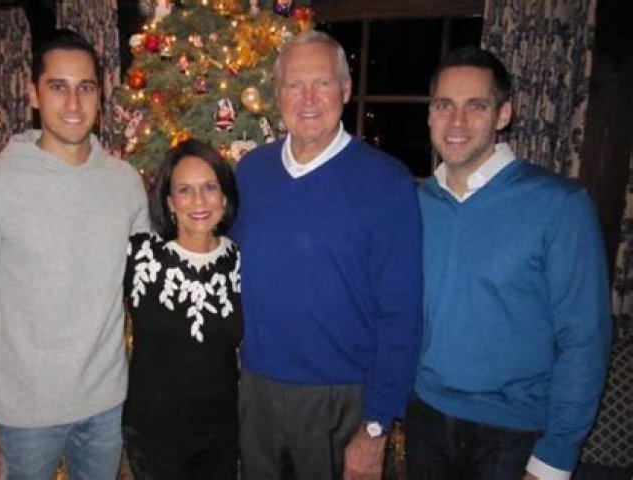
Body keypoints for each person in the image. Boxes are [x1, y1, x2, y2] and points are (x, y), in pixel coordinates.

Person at [0, 29, 150, 478]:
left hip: (105, 403)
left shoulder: (124, 183)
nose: (74, 103)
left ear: (101, 95)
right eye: (59, 87)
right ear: (33, 94)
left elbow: (146, 284)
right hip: (22, 415)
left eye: (86, 88)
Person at [407, 46, 612, 480]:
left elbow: (584, 339)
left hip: (514, 434)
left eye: (475, 106)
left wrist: (555, 457)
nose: (456, 122)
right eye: (444, 105)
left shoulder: (560, 206)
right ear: (429, 115)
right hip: (424, 418)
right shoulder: (415, 203)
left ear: (503, 114)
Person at [233, 30, 423, 479]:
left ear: (346, 89)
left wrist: (376, 424)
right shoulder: (251, 171)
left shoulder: (386, 182)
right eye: (294, 85)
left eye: (322, 83)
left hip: (342, 400)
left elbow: (402, 313)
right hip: (257, 390)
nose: (308, 99)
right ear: (277, 94)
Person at [122, 139, 242, 479]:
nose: (199, 201)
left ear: (224, 197)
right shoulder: (140, 256)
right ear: (169, 202)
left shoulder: (239, 261)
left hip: (221, 434)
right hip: (154, 437)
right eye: (185, 190)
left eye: (209, 188)